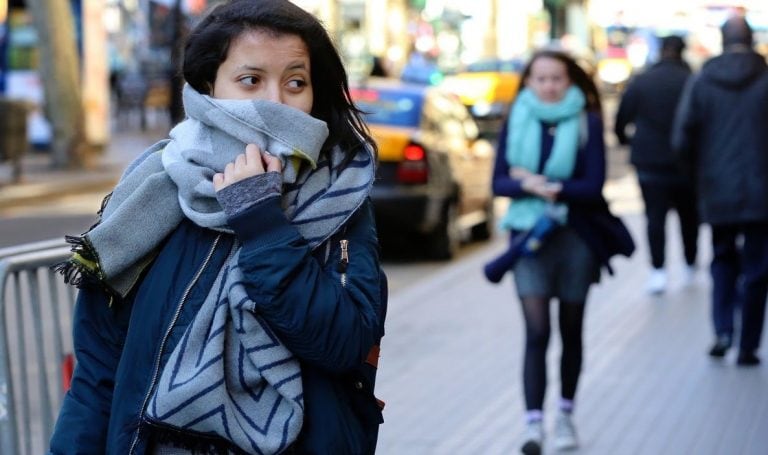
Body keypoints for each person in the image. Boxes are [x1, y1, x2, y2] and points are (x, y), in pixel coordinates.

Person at [49, 1, 387, 453]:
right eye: (251, 81)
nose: (274, 103)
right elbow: (97, 372)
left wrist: (262, 221)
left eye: (295, 82)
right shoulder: (151, 191)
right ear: (209, 86)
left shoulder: (339, 199)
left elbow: (342, 343)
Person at [491, 49, 633, 454]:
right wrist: (531, 185)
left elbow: (593, 185)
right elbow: (499, 182)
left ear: (570, 81)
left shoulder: (587, 120)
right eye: (541, 78)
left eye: (557, 78)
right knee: (537, 332)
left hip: (575, 238)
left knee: (571, 330)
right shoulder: (516, 117)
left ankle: (566, 416)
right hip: (528, 237)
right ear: (529, 82)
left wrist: (538, 183)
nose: (549, 85)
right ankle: (533, 424)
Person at [672, 15, 768, 367]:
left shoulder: (703, 81)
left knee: (723, 259)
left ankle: (723, 331)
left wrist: (698, 178)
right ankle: (748, 345)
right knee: (758, 268)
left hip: (718, 190)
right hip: (762, 193)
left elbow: (682, 139)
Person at [614, 35, 699, 295]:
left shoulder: (642, 80)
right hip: (686, 163)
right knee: (689, 217)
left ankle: (658, 271)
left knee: (654, 217)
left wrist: (627, 140)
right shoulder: (691, 81)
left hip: (650, 162)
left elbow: (621, 119)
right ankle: (690, 265)